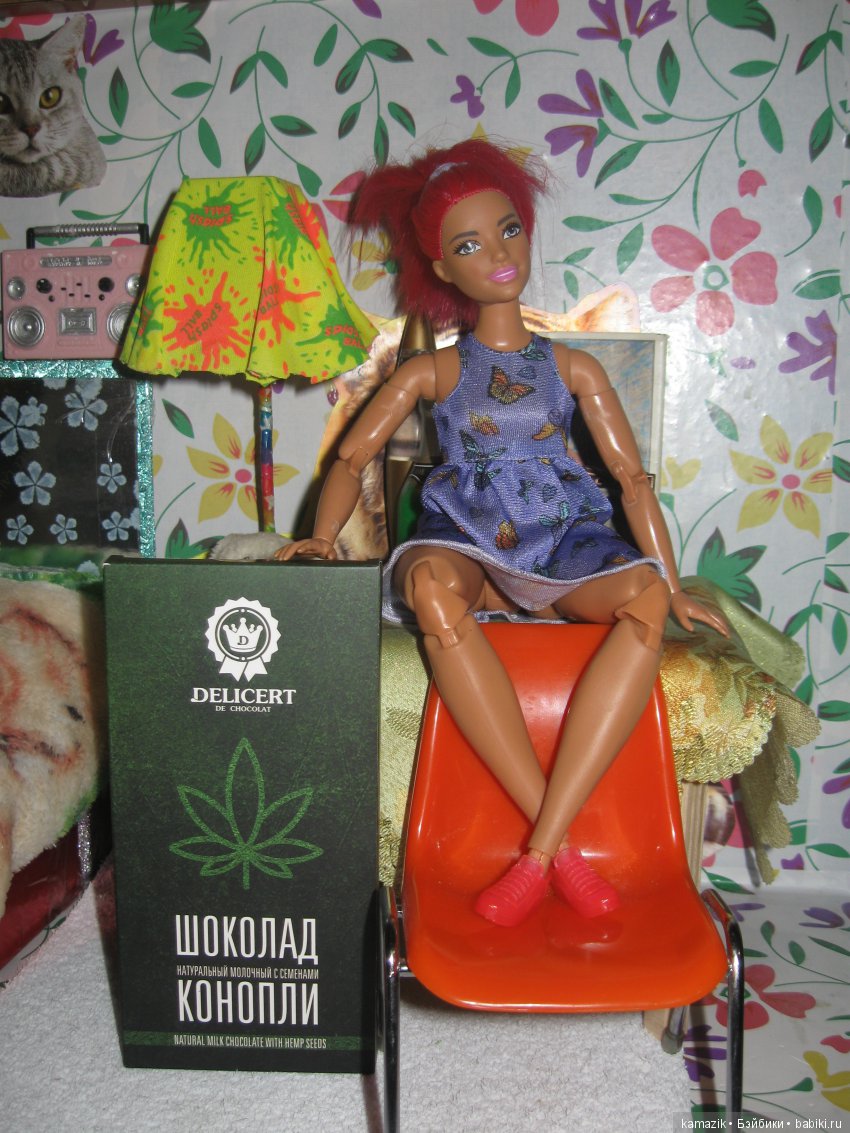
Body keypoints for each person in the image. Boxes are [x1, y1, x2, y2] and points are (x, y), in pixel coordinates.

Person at [275, 139, 728, 927]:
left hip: (563, 539)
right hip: (469, 538)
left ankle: (542, 851)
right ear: (441, 270)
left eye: (508, 229)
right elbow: (351, 456)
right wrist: (321, 536)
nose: (497, 253)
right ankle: (561, 846)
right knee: (427, 585)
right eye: (468, 244)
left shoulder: (573, 368)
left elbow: (632, 481)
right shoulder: (434, 371)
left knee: (646, 597)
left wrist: (670, 576)